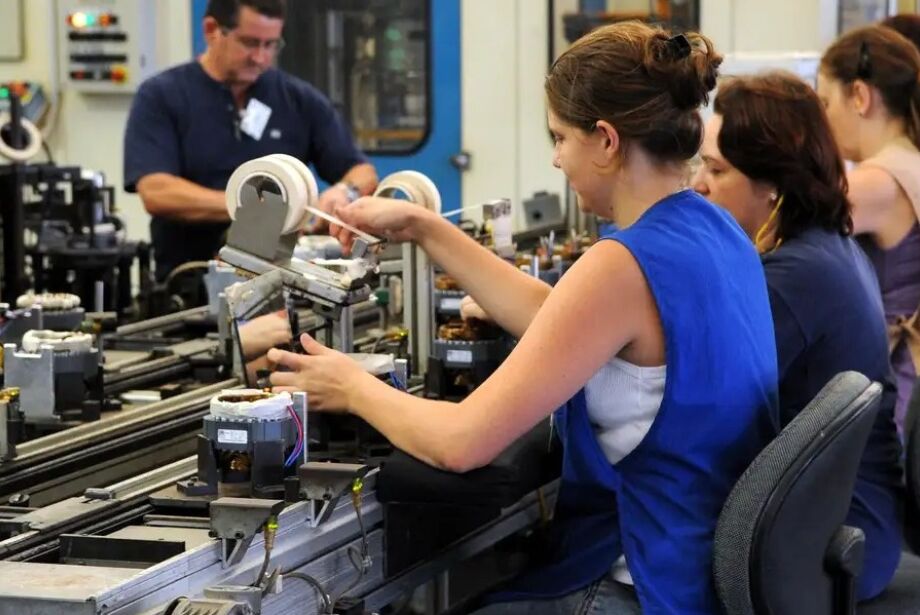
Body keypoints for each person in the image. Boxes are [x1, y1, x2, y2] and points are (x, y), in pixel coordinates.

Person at [267, 21, 780, 614]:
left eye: (561, 138)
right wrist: (426, 229)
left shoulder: (622, 263)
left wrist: (352, 387)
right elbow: (560, 319)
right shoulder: (715, 229)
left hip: (642, 581)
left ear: (607, 142)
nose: (557, 158)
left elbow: (461, 443)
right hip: (701, 566)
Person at [692, 70, 904, 601]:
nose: (698, 183)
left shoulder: (793, 278)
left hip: (825, 541)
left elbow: (696, 401)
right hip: (851, 525)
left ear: (772, 185)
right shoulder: (826, 246)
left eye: (716, 170)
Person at [123, 0, 377, 282]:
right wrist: (254, 209)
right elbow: (157, 191)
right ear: (211, 30)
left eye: (270, 45)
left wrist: (345, 191)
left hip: (283, 282)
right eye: (249, 43)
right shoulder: (162, 96)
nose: (260, 57)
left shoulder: (298, 100)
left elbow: (362, 172)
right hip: (188, 283)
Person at [817, 25, 920, 430]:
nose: (823, 119)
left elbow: (787, 230)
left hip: (901, 378)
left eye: (825, 103)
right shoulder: (910, 159)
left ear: (859, 96)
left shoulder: (877, 181)